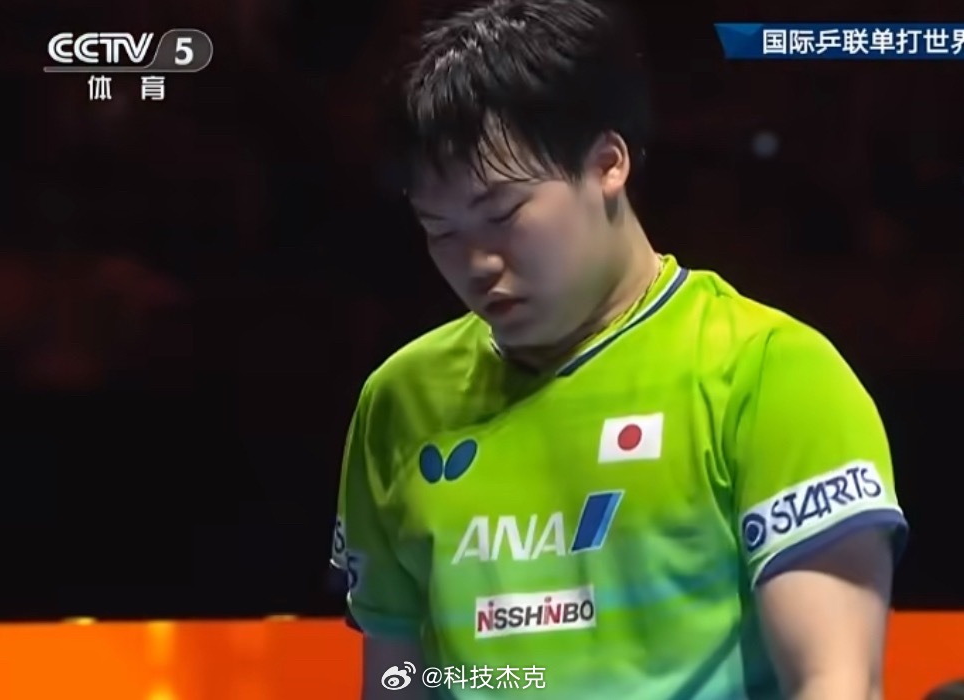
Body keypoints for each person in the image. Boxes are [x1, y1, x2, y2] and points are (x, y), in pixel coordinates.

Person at [330, 1, 907, 698]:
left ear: (607, 163)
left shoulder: (767, 371)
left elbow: (834, 680)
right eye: (440, 231)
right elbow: (400, 679)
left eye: (503, 214)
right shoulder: (399, 401)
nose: (476, 262)